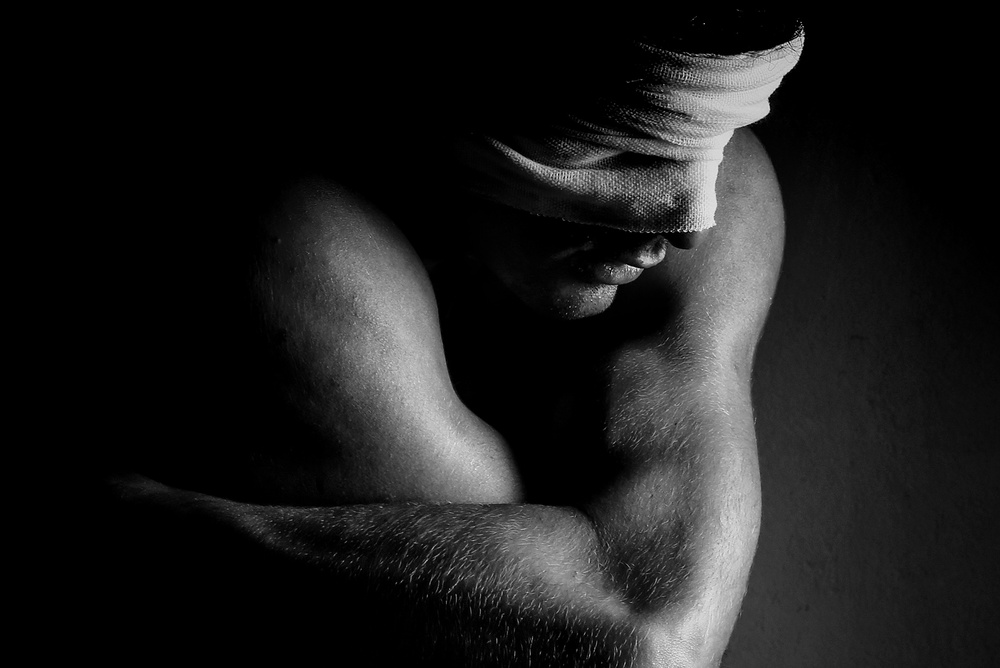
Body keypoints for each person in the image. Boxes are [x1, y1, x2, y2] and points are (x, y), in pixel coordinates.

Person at [95, 10, 804, 667]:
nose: (688, 225)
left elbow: (655, 633)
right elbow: (606, 639)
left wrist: (166, 529)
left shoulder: (727, 193)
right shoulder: (287, 238)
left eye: (708, 140)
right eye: (628, 141)